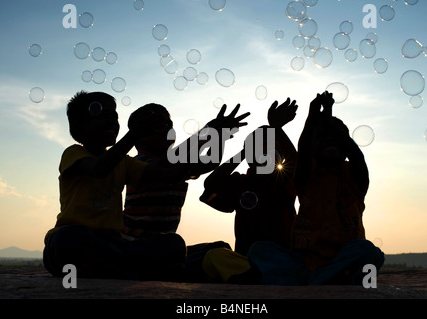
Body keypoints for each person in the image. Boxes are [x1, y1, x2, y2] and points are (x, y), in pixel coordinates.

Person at [42, 91, 247, 281]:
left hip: (116, 248)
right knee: (67, 237)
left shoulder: (126, 163)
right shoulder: (75, 154)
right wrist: (135, 133)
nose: (112, 119)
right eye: (102, 115)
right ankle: (145, 270)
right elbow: (99, 168)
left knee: (174, 243)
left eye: (114, 115)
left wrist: (216, 134)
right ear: (78, 128)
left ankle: (126, 270)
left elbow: (178, 170)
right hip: (76, 243)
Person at [248, 92, 385, 285]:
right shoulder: (305, 175)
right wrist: (312, 117)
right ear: (313, 149)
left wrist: (327, 116)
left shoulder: (354, 175)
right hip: (306, 260)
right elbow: (303, 148)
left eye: (335, 137)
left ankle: (313, 279)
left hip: (343, 256)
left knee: (369, 252)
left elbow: (357, 156)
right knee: (259, 250)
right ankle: (327, 278)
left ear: (345, 145)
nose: (330, 141)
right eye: (322, 138)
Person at [122, 102, 250, 281]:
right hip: (134, 247)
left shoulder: (177, 165)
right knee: (173, 244)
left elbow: (210, 162)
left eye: (168, 122)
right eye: (157, 123)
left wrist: (220, 136)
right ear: (137, 136)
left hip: (166, 248)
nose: (165, 126)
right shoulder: (139, 163)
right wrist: (209, 131)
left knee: (219, 247)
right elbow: (167, 166)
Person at [199, 98, 298, 283]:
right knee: (214, 255)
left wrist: (276, 128)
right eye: (257, 147)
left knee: (263, 251)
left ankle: (265, 275)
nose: (263, 152)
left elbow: (299, 164)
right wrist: (243, 153)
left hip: (281, 256)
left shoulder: (283, 180)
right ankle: (263, 275)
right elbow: (211, 184)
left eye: (269, 147)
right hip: (246, 261)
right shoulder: (242, 183)